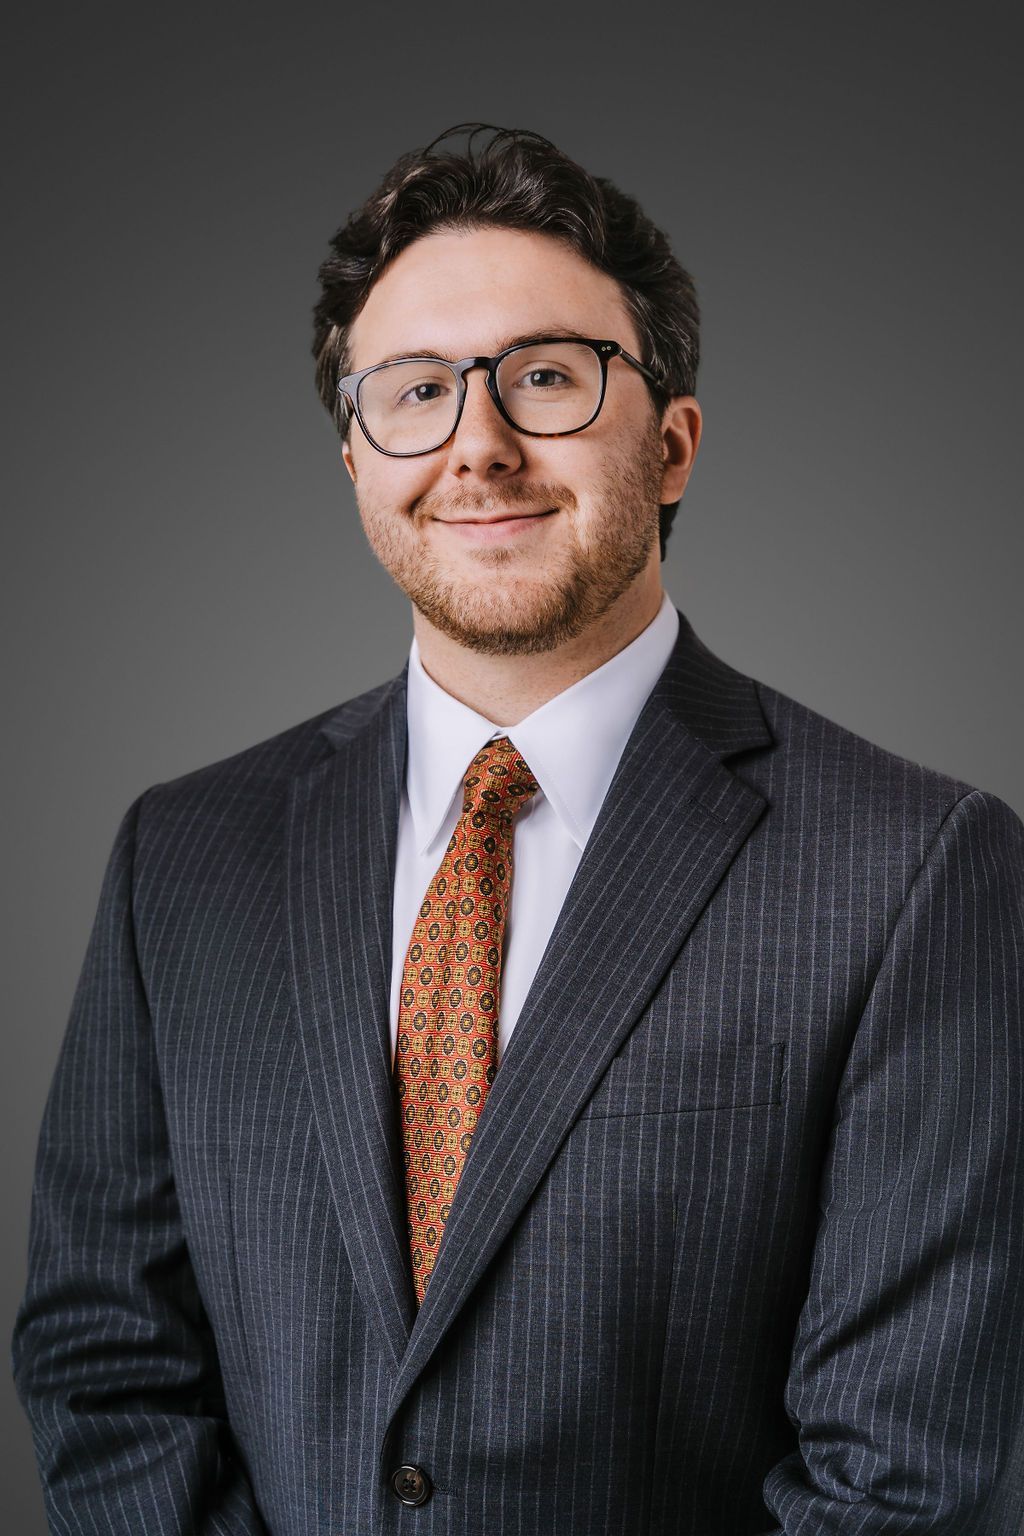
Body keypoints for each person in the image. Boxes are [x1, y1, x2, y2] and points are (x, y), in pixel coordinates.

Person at [12, 121, 1024, 1536]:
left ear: (672, 447)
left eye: (545, 376)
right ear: (356, 461)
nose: (477, 445)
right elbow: (104, 1358)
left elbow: (907, 1476)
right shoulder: (181, 857)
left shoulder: (916, 868)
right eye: (416, 391)